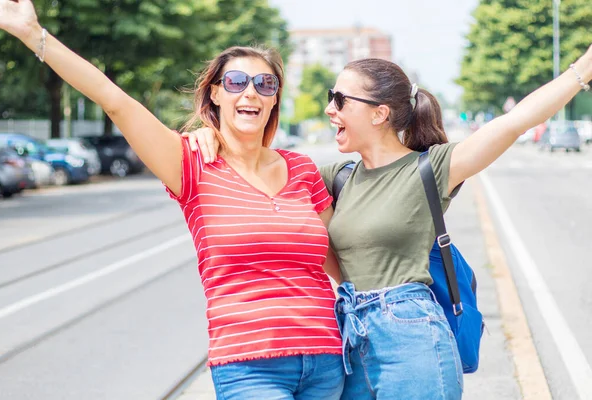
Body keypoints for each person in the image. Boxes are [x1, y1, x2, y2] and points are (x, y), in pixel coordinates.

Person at [187, 45, 592, 398]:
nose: (330, 108)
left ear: (379, 114)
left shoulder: (431, 169)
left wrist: (583, 69)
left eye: (340, 100)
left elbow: (516, 121)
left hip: (410, 335)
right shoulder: (333, 177)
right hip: (349, 341)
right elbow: (259, 167)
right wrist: (208, 136)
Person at [0, 1, 346, 399]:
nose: (251, 92)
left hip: (326, 358)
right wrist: (32, 34)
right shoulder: (191, 163)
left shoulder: (302, 169)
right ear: (215, 93)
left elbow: (342, 263)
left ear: (275, 99)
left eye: (266, 84)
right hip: (250, 367)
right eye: (236, 82)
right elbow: (115, 100)